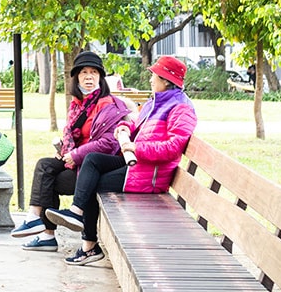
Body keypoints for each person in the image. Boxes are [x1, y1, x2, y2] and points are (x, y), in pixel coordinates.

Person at [45, 55, 198, 265]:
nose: (151, 79)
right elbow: (138, 127)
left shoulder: (181, 108)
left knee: (90, 183)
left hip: (149, 175)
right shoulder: (155, 101)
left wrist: (136, 147)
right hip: (135, 164)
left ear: (166, 80)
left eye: (154, 75)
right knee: (92, 160)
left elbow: (173, 149)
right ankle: (76, 212)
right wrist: (125, 129)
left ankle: (89, 246)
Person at [11, 50, 133, 251]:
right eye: (83, 72)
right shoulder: (78, 104)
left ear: (101, 78)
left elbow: (109, 144)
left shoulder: (108, 105)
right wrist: (65, 152)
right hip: (79, 162)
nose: (88, 77)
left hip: (95, 168)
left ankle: (47, 236)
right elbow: (72, 134)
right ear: (76, 77)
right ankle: (34, 218)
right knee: (45, 165)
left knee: (49, 181)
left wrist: (74, 155)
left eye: (94, 72)